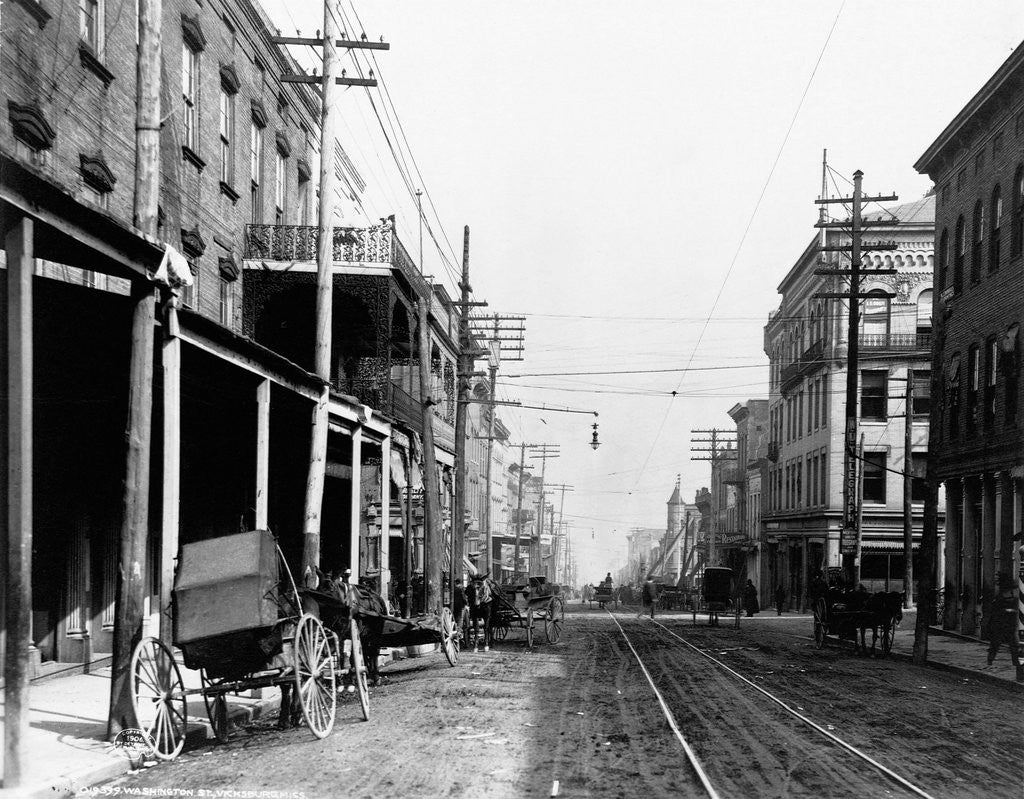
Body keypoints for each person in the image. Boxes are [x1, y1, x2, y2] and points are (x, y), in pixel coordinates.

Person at [987, 573, 1023, 681]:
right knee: (1000, 643)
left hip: (1007, 624)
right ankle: (990, 659)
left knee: (1011, 645)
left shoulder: (1008, 595)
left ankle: (1017, 665)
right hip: (1002, 623)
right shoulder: (1004, 595)